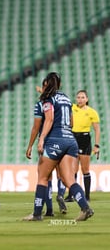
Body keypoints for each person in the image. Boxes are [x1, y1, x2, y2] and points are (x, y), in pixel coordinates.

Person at [23, 72, 94, 221]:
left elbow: (48, 120)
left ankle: (36, 214)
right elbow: (72, 123)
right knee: (69, 179)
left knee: (42, 177)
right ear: (59, 84)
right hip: (71, 140)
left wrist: (41, 140)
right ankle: (85, 207)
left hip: (55, 140)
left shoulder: (48, 98)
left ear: (47, 84)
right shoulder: (67, 98)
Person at [25, 79, 55, 216]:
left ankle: (39, 211)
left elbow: (36, 127)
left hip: (47, 142)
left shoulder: (41, 105)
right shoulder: (60, 102)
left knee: (43, 177)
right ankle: (50, 208)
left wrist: (30, 145)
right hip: (63, 140)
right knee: (58, 177)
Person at [66, 90, 100, 202]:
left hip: (85, 139)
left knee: (85, 169)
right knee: (73, 169)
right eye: (78, 97)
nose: (80, 99)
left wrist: (96, 145)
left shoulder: (92, 112)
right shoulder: (72, 108)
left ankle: (87, 196)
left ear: (87, 99)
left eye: (82, 97)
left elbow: (97, 130)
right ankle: (71, 195)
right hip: (73, 138)